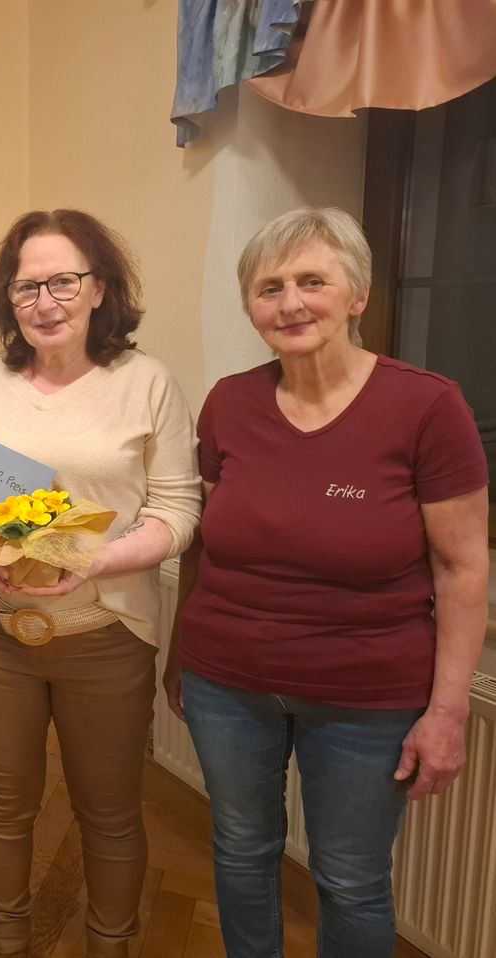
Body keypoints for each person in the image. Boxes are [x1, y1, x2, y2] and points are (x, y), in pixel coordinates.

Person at [163, 207, 489, 958]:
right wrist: (180, 651)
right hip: (227, 682)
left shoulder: (426, 406)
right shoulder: (229, 404)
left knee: (349, 879)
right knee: (242, 853)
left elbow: (463, 566)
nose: (291, 303)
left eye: (313, 281)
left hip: (367, 698)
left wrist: (447, 713)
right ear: (251, 306)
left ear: (358, 296)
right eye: (269, 287)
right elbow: (204, 543)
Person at [0, 210, 202, 958]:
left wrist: (98, 559)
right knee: (2, 807)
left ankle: (110, 945)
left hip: (107, 639)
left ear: (98, 289)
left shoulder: (146, 383)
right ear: (7, 299)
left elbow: (180, 508)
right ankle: (6, 944)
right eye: (26, 287)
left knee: (110, 814)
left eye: (62, 281)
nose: (44, 302)